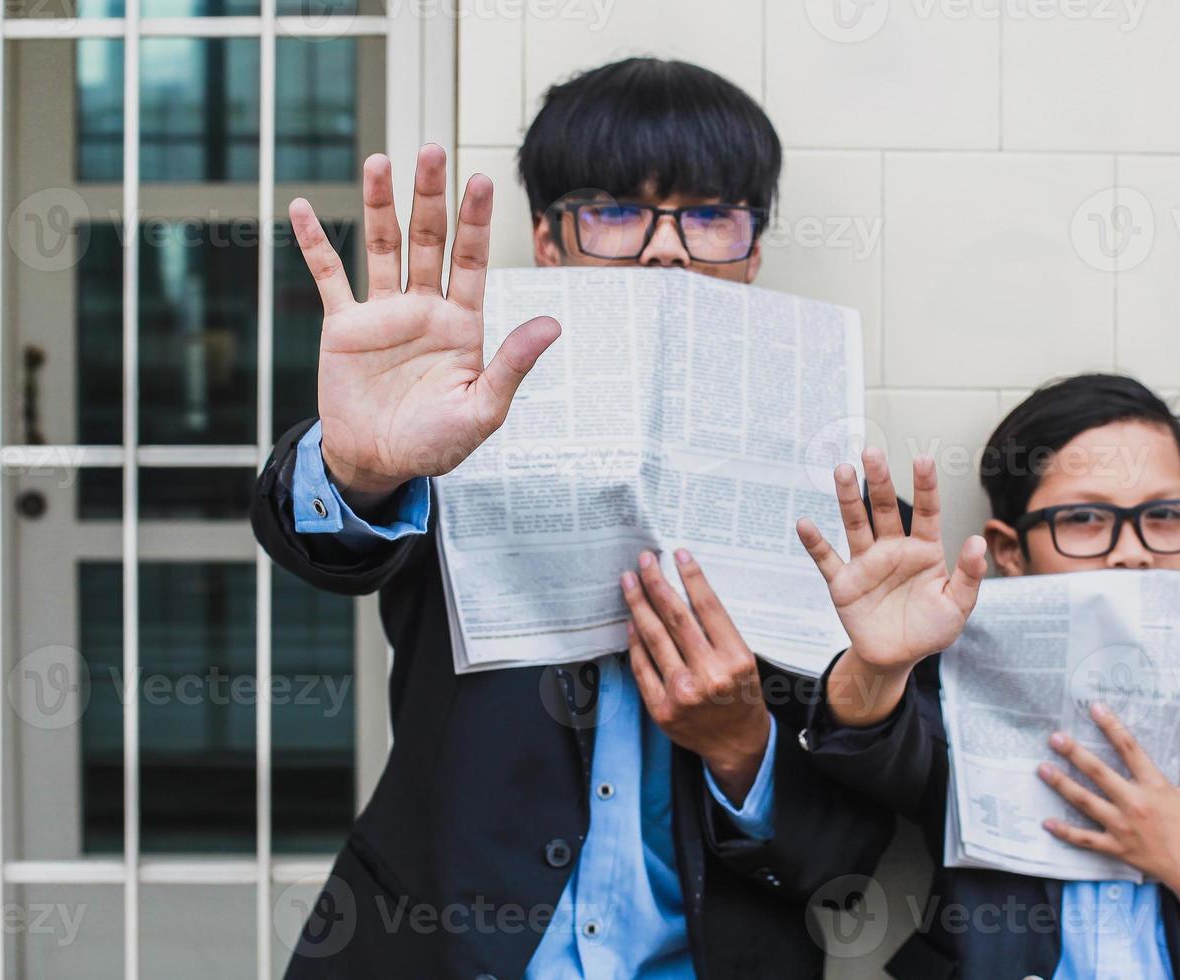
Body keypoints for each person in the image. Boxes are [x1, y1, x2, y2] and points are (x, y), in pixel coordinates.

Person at [254, 58, 904, 978]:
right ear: (549, 242)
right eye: (615, 211)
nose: (666, 250)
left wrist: (741, 748)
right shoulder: (457, 421)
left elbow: (841, 859)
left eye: (712, 215)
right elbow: (318, 548)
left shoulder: (852, 516)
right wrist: (356, 467)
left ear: (753, 251)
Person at [795, 373, 1180, 979]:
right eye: (1084, 518)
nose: (1133, 549)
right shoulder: (961, 685)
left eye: (1163, 515)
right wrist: (879, 661)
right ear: (1009, 551)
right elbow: (870, 749)